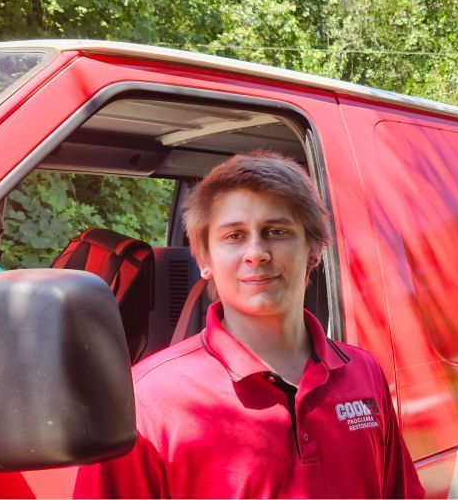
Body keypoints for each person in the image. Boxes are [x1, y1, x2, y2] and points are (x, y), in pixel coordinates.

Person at [74, 151, 424, 498]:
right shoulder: (145, 400)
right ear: (205, 258)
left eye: (276, 231)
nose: (256, 253)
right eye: (234, 236)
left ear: (314, 251)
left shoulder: (363, 373)